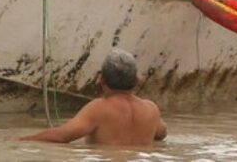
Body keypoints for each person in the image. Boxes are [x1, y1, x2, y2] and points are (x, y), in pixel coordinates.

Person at [21, 49, 167, 145]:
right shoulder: (151, 109)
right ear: (136, 81)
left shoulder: (99, 108)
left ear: (101, 80)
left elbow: (62, 136)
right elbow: (162, 134)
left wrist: (23, 140)